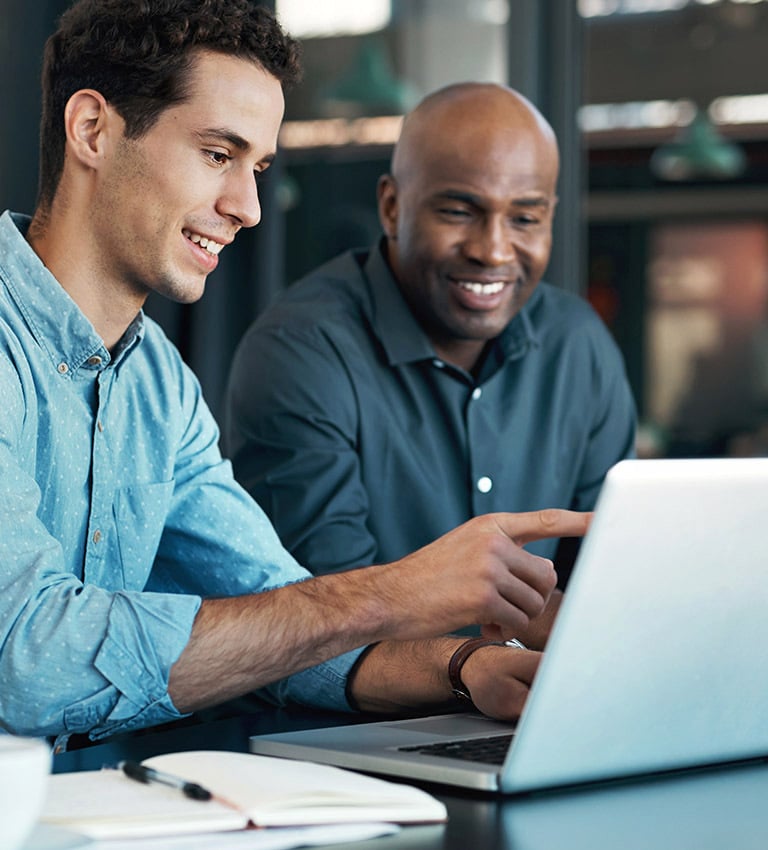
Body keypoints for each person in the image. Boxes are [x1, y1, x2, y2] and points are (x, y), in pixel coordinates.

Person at [0, 0, 590, 746]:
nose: (248, 207)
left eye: (258, 168)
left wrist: (466, 666)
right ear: (92, 129)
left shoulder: (160, 386)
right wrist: (394, 593)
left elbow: (278, 617)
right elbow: (27, 659)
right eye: (219, 154)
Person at [224, 81, 636, 633]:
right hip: (354, 692)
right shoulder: (301, 350)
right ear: (392, 207)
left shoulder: (577, 345)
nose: (493, 250)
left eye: (525, 219)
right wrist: (486, 656)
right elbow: (326, 616)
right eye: (460, 211)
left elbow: (611, 578)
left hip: (544, 685)